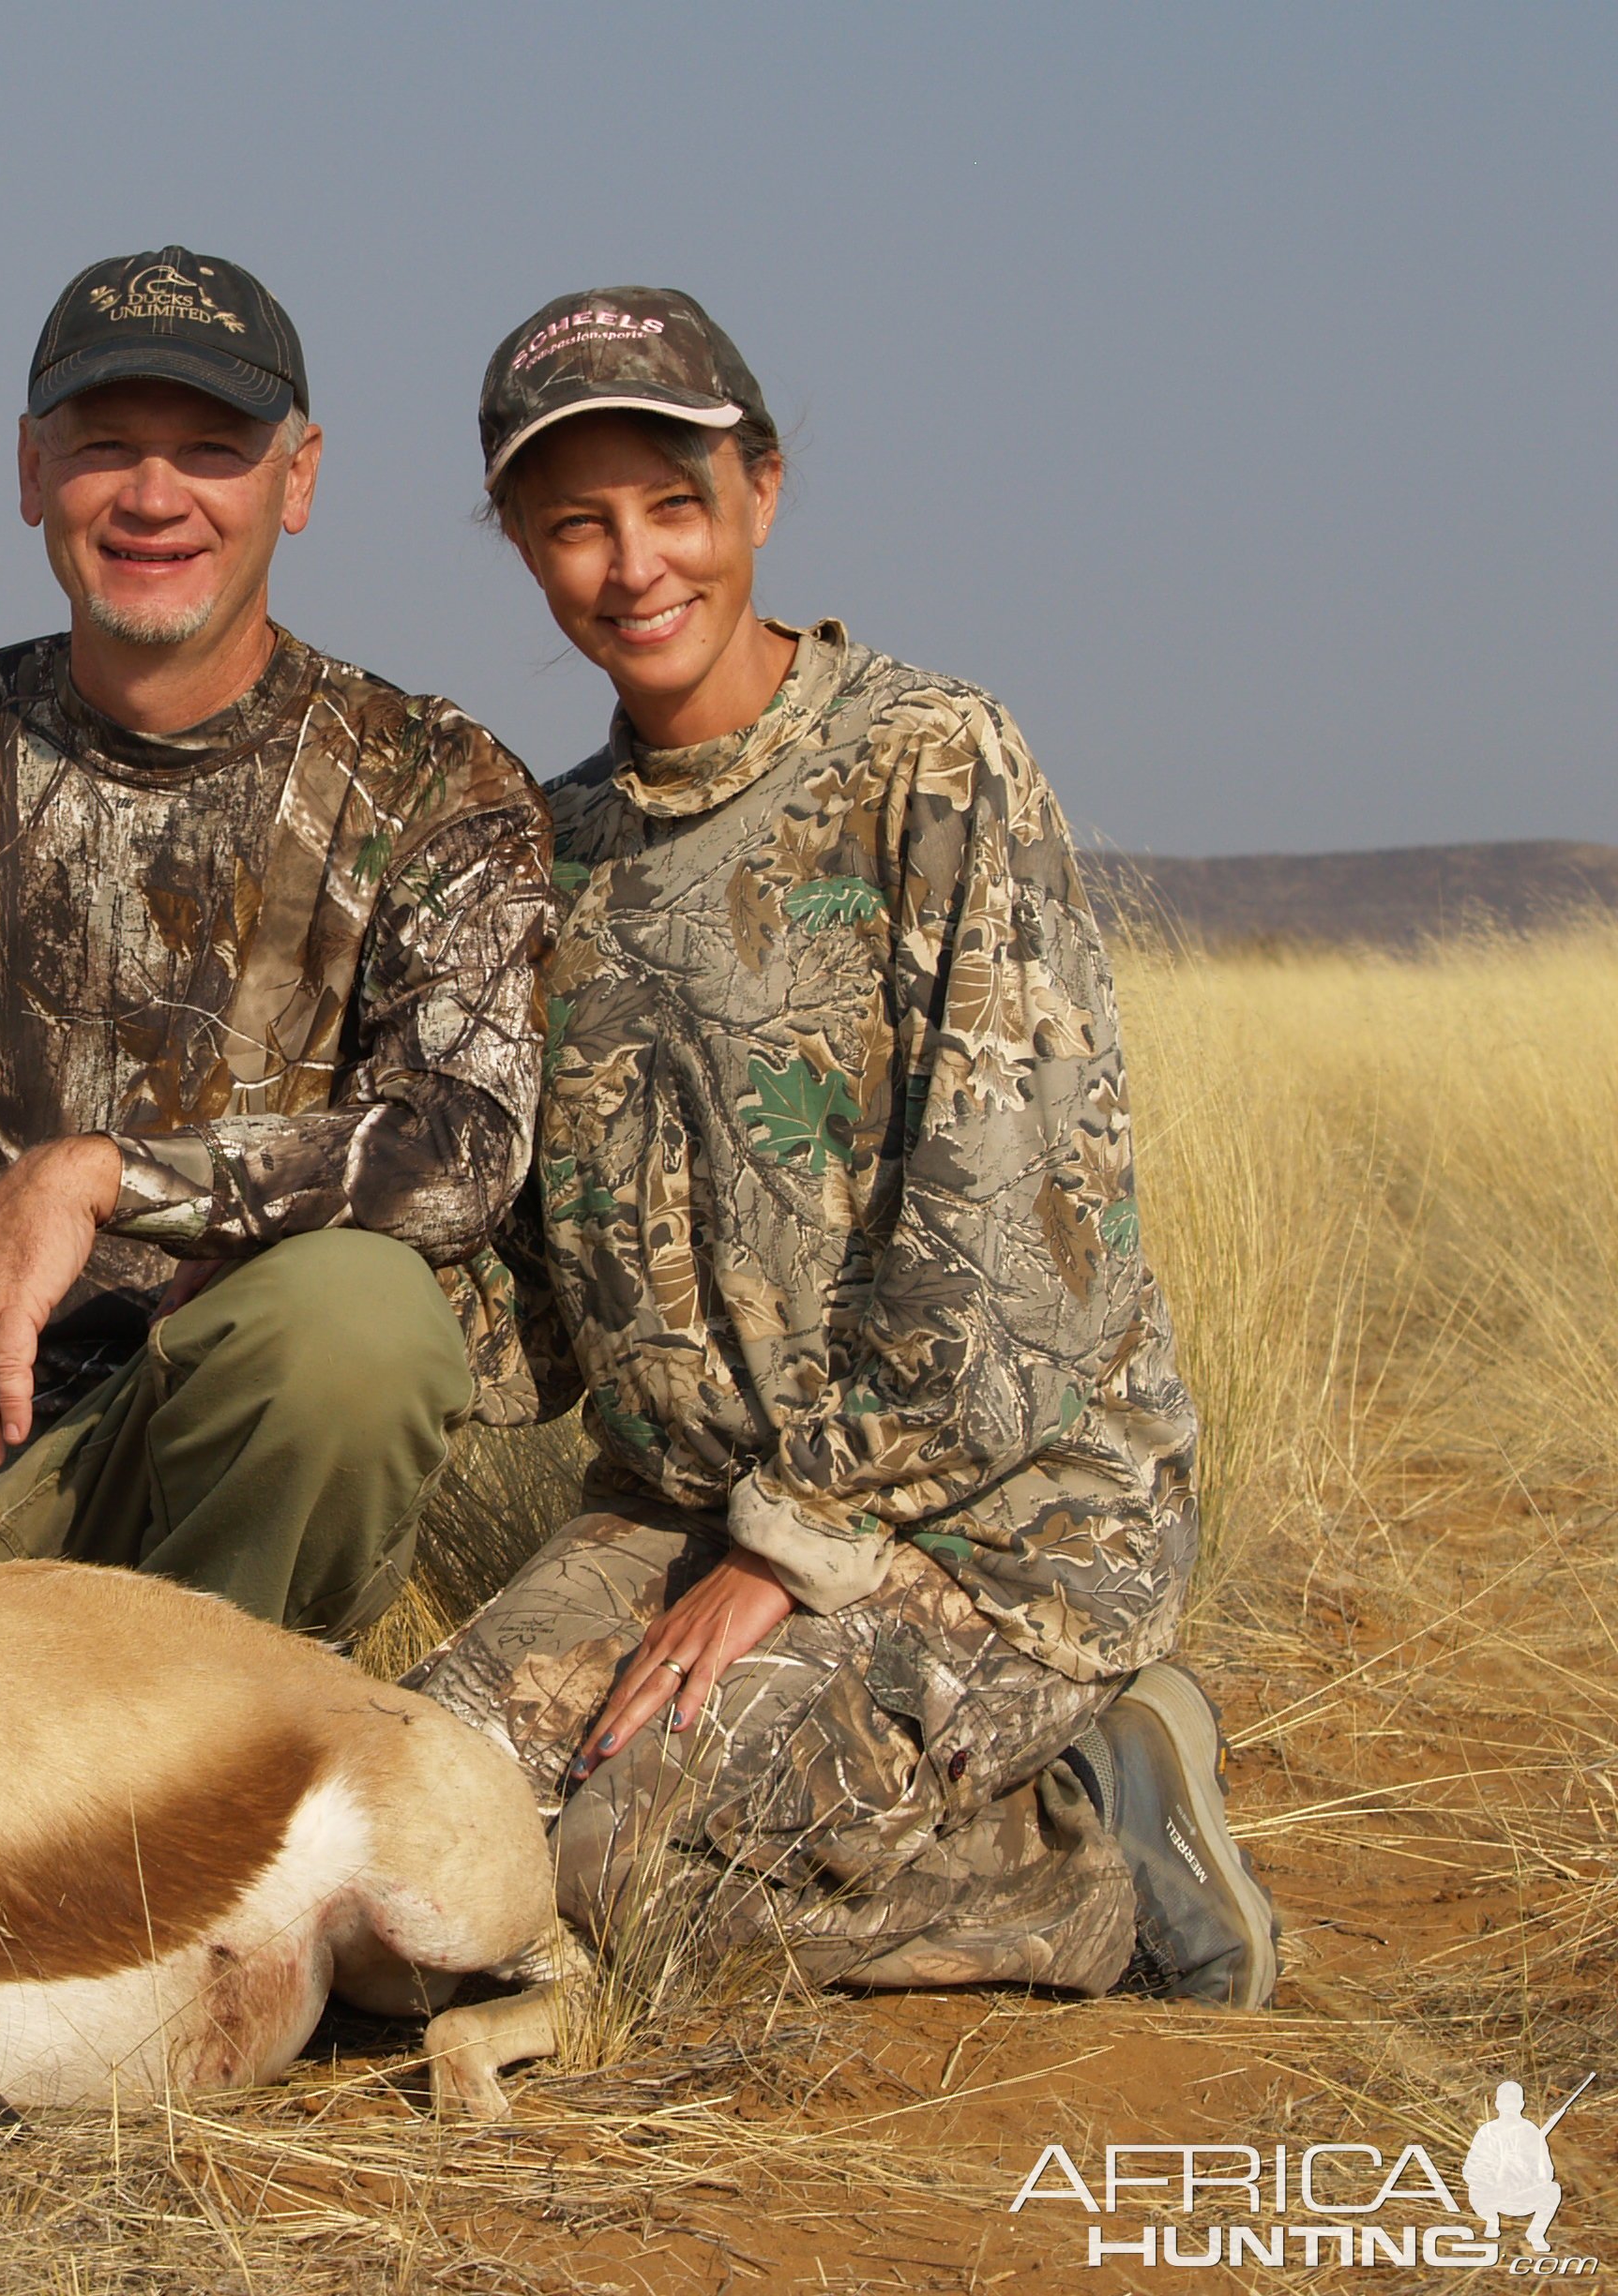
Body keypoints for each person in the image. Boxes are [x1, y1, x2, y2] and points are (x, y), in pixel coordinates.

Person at [408, 286, 1281, 2005]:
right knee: (420, 1827)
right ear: (514, 541)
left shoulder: (930, 761)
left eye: (672, 505)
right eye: (572, 521)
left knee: (629, 1868)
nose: (631, 564)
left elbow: (1013, 1256)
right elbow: (517, 1303)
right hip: (679, 1520)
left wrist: (791, 1543)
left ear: (761, 491)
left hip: (989, 1525)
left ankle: (1084, 1843)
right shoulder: (549, 847)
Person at [0, 248, 553, 1640]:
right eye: (104, 446)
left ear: (298, 481)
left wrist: (89, 1183)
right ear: (28, 472)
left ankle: (192, 1793)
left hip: (205, 1453)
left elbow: (462, 1151)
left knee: (358, 1326)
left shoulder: (436, 781)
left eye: (210, 450)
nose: (152, 496)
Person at [1464, 2082, 1562, 2253]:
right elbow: (1470, 2171)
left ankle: (1536, 2233)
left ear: (1521, 2105)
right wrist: (1494, 2170)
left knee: (1553, 2190)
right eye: (1505, 2103)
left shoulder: (1531, 2132)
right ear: (1497, 2105)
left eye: (1513, 2103)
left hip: (1523, 2195)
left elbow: (1547, 2173)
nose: (1509, 2107)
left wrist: (1526, 2168)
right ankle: (1491, 2221)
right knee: (1474, 2189)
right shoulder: (1487, 2131)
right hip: (1493, 2195)